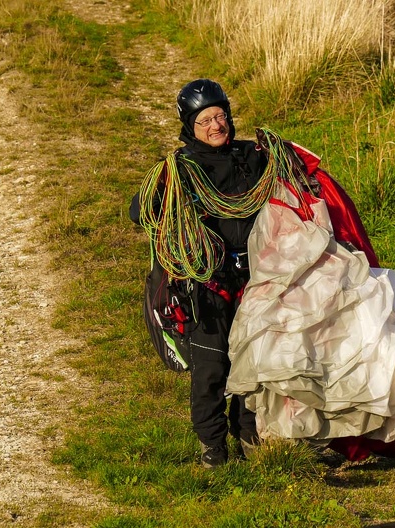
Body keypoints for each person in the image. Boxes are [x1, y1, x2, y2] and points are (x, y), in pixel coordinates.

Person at [129, 79, 266, 469]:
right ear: (191, 126)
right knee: (211, 367)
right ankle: (213, 449)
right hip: (206, 285)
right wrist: (165, 192)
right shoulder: (180, 169)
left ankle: (249, 435)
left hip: (253, 280)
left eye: (221, 116)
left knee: (251, 362)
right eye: (205, 120)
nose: (216, 126)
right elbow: (141, 213)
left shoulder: (251, 158)